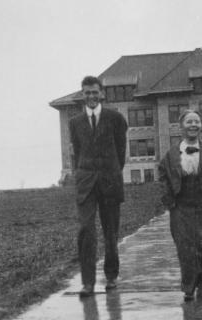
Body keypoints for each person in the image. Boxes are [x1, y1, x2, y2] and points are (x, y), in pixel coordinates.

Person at [158, 110, 202, 301]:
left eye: (197, 121)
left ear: (201, 126)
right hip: (181, 204)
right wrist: (168, 198)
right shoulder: (171, 153)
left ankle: (198, 272)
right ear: (181, 126)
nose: (193, 125)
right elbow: (162, 175)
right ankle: (188, 286)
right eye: (189, 121)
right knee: (184, 245)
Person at [69, 76, 128, 297]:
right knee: (86, 230)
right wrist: (83, 173)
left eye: (95, 92)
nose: (91, 96)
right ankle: (88, 283)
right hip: (86, 184)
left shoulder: (115, 118)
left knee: (110, 232)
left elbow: (121, 152)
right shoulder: (74, 122)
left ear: (101, 93)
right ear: (82, 94)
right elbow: (77, 150)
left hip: (110, 181)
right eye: (87, 93)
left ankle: (111, 277)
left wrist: (110, 171)